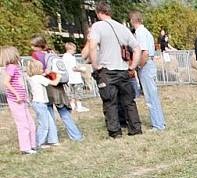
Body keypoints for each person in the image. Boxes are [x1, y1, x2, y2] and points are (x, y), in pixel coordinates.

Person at [87, 1, 142, 137]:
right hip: (123, 70)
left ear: (98, 13)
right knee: (129, 102)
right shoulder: (122, 28)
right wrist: (133, 66)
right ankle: (135, 128)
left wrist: (95, 64)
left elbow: (92, 46)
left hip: (107, 70)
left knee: (110, 102)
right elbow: (137, 48)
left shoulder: (97, 26)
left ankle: (115, 132)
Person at [31, 36, 84, 142]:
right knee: (64, 112)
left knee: (49, 113)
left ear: (37, 46)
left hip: (47, 86)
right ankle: (76, 136)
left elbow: (36, 69)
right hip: (58, 86)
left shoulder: (36, 55)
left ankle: (52, 138)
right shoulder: (52, 53)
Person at [130, 11, 165, 131]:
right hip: (149, 64)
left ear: (132, 20)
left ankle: (158, 124)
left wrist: (138, 65)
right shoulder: (146, 32)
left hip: (146, 65)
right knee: (152, 95)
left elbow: (144, 52)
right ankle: (159, 122)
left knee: (150, 96)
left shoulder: (140, 33)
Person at [1, 46, 37, 154]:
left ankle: (32, 145)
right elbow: (6, 82)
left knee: (30, 123)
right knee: (23, 124)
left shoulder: (15, 67)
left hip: (22, 100)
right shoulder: (11, 67)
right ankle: (25, 148)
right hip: (16, 101)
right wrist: (16, 94)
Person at [26, 58, 60, 148]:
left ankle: (53, 140)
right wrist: (59, 75)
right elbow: (54, 83)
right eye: (41, 68)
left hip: (38, 103)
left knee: (50, 121)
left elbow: (43, 75)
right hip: (40, 104)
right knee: (44, 124)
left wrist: (46, 73)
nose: (43, 70)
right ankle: (38, 143)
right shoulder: (39, 78)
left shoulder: (32, 78)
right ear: (37, 70)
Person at [62, 42, 89, 112]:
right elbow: (74, 68)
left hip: (68, 79)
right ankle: (79, 107)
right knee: (78, 93)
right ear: (70, 49)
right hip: (75, 78)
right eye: (74, 50)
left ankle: (73, 107)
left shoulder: (64, 57)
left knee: (71, 94)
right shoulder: (71, 57)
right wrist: (82, 70)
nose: (75, 51)